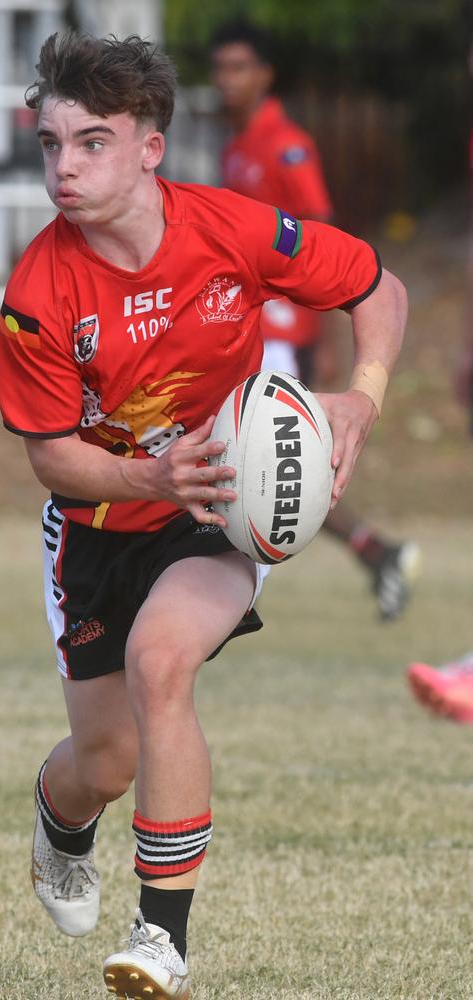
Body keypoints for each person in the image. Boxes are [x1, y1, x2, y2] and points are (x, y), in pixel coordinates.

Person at [0, 32, 407, 999]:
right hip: (98, 529)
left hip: (213, 513)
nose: (63, 166)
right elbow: (53, 456)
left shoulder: (231, 228)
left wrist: (364, 397)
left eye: (91, 142)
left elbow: (375, 286)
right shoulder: (36, 294)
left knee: (161, 663)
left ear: (150, 146)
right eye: (50, 144)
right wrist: (151, 479)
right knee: (105, 758)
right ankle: (62, 826)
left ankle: (159, 938)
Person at [211, 18, 420, 622]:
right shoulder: (236, 145)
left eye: (239, 68)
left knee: (271, 463)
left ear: (265, 74)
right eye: (221, 68)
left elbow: (326, 245)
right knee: (262, 463)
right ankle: (377, 552)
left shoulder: (285, 144)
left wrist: (326, 337)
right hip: (249, 330)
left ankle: (369, 552)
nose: (227, 81)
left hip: (286, 336)